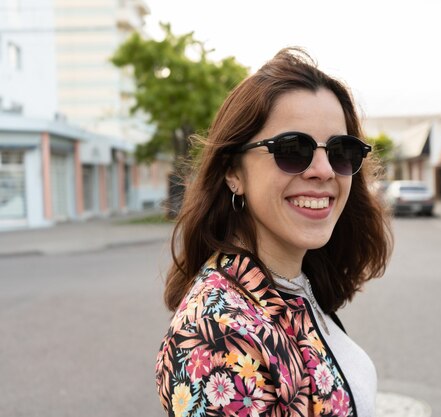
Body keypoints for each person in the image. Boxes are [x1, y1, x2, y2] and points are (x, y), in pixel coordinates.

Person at [156, 47, 392, 417]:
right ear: (233, 172)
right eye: (293, 149)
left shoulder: (294, 284)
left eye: (340, 151)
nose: (323, 170)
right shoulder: (218, 337)